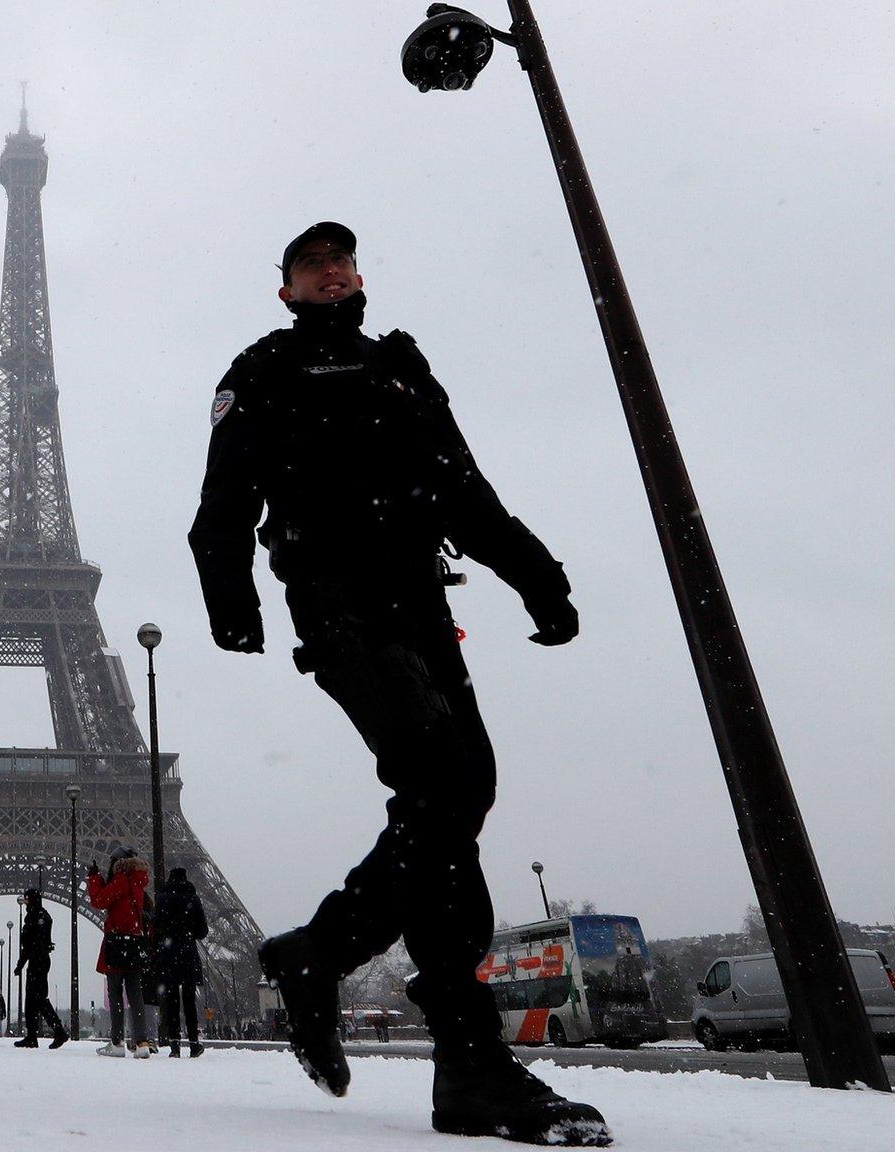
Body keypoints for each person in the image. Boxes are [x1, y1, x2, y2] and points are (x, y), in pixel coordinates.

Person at [189, 222, 607, 1145]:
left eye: (341, 260)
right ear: (287, 290)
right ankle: (468, 1057)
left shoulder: (401, 367)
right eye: (310, 265)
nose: (330, 272)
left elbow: (462, 485)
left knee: (462, 789)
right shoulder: (260, 371)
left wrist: (535, 570)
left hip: (418, 599)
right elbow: (224, 500)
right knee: (442, 786)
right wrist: (231, 597)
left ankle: (317, 956)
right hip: (339, 606)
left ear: (359, 277)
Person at [86, 847, 152, 1058]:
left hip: (117, 942)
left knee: (115, 993)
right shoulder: (137, 883)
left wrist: (95, 878)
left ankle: (116, 1042)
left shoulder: (121, 881)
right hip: (134, 942)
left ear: (118, 864)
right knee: (135, 994)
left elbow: (99, 901)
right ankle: (142, 1042)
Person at [151, 867, 209, 1058]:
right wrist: (188, 932)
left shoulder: (162, 898)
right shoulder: (193, 898)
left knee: (172, 1000)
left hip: (168, 953)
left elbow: (155, 925)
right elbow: (202, 931)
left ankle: (174, 1044)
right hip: (187, 952)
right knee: (189, 1000)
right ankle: (194, 1043)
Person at [12, 888, 70, 1048]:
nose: (25, 904)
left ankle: (57, 1032)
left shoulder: (31, 917)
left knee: (35, 999)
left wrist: (20, 965)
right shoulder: (45, 915)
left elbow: (28, 945)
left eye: (26, 900)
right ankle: (36, 1035)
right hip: (43, 959)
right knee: (36, 998)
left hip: (36, 961)